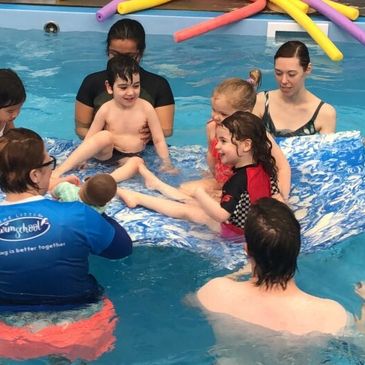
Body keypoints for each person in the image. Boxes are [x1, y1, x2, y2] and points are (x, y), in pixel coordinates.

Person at [0, 128, 133, 361]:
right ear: (34, 175)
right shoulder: (76, 214)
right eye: (49, 162)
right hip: (80, 325)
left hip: (9, 332)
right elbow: (122, 249)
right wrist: (92, 209)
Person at [197, 197, 348, 335]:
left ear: (247, 250)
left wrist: (233, 276)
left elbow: (189, 302)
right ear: (297, 249)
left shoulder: (214, 292)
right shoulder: (331, 316)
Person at [118, 111, 281, 237]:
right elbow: (275, 196)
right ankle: (156, 184)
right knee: (192, 202)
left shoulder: (238, 180)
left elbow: (221, 215)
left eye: (223, 141)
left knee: (189, 209)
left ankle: (138, 198)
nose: (217, 147)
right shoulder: (264, 167)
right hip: (253, 227)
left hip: (235, 232)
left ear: (246, 145)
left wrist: (200, 194)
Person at [53, 54, 176, 183]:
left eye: (136, 86)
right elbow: (91, 137)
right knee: (105, 136)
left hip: (130, 157)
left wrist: (166, 163)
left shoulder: (146, 108)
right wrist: (83, 158)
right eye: (123, 87)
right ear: (109, 87)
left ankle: (104, 181)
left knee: (137, 163)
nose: (131, 92)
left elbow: (158, 140)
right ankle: (59, 171)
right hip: (107, 154)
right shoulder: (106, 109)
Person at [180, 70, 291, 202]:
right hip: (224, 182)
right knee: (183, 190)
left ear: (245, 113)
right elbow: (211, 156)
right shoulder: (212, 127)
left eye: (223, 114)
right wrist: (216, 180)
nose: (215, 116)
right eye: (214, 109)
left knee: (212, 206)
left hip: (247, 186)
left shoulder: (255, 132)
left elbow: (283, 167)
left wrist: (281, 197)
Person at [75, 18, 174, 140]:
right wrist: (111, 138)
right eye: (114, 55)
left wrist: (149, 131)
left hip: (144, 147)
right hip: (103, 147)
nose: (121, 62)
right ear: (107, 51)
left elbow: (166, 130)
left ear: (140, 53)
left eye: (129, 56)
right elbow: (81, 129)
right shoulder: (91, 82)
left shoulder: (158, 85)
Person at [253, 40, 336, 137]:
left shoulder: (324, 113)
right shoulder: (261, 101)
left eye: (291, 74)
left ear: (307, 69)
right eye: (278, 73)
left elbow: (325, 151)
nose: (283, 81)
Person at [52, 173, 117, 214]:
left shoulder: (67, 188)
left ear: (85, 183)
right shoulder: (98, 211)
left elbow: (54, 193)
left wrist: (55, 198)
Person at [0, 68, 26, 136]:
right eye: (10, 111)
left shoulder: (7, 119)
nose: (15, 115)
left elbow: (12, 137)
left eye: (19, 108)